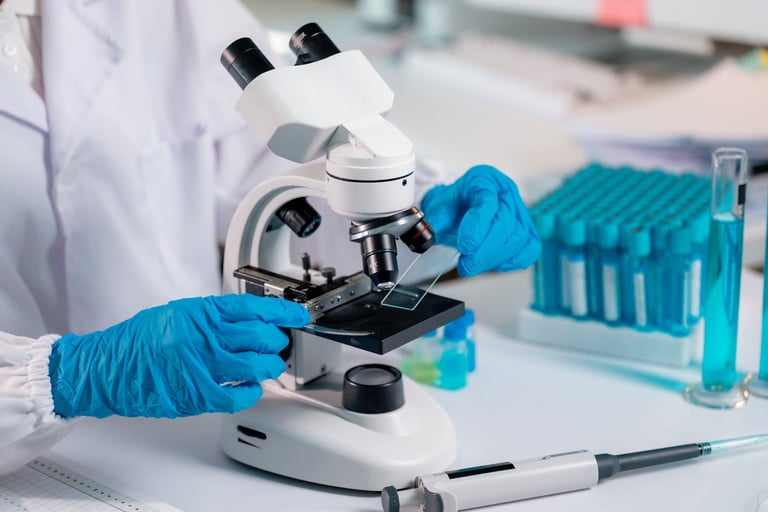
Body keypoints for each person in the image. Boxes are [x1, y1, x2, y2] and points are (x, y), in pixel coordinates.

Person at [0, 0, 540, 474]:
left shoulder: (163, 9)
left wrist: (419, 214)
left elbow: (273, 167)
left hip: (201, 412)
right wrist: (68, 377)